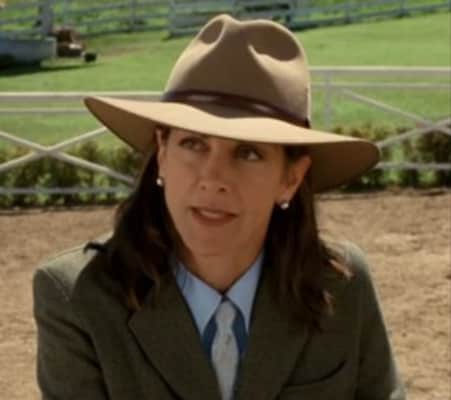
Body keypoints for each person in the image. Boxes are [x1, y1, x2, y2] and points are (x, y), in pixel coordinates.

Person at [33, 13, 406, 400]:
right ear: (162, 154)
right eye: (193, 144)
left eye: (248, 152)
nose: (213, 178)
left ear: (291, 178)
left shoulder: (341, 284)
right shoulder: (77, 298)